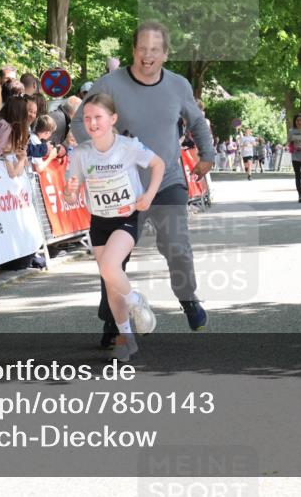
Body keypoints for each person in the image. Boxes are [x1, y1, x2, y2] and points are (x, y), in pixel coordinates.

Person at [70, 21, 212, 346]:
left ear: (165, 54)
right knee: (113, 259)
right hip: (121, 187)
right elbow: (80, 121)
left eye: (155, 50)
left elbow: (197, 121)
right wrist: (104, 147)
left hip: (167, 180)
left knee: (176, 245)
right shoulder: (109, 84)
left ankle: (188, 298)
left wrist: (207, 154)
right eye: (142, 49)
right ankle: (113, 321)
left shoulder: (178, 85)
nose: (148, 56)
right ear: (133, 50)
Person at [64, 93, 163, 361]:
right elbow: (69, 195)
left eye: (98, 117)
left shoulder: (128, 147)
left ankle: (136, 302)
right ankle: (126, 341)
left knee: (109, 267)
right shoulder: (81, 154)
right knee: (111, 285)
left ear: (113, 119)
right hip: (99, 222)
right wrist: (70, 191)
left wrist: (149, 195)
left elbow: (158, 164)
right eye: (87, 118)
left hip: (127, 218)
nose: (92, 123)